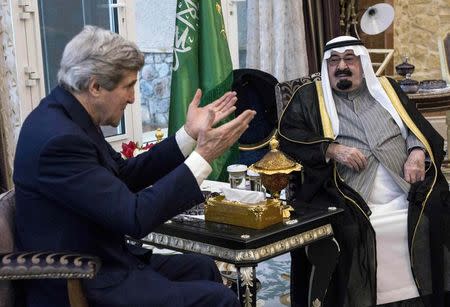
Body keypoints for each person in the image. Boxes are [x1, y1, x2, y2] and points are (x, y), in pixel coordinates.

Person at [13, 25, 256, 307]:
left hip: (107, 261)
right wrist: (203, 157)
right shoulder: (59, 140)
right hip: (82, 282)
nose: (132, 98)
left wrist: (188, 135)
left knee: (202, 267)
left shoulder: (68, 114)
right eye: (128, 86)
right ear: (95, 86)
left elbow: (124, 176)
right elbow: (134, 217)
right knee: (219, 300)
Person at [279, 36, 449, 307]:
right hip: (349, 194)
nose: (341, 66)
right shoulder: (310, 97)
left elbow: (419, 127)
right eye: (334, 61)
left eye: (349, 59)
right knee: (354, 232)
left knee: (436, 214)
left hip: (406, 188)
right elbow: (288, 135)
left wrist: (417, 152)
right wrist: (332, 149)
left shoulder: (388, 89)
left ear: (362, 62)